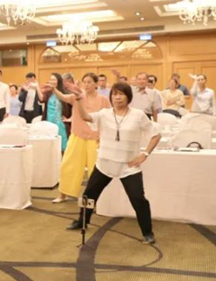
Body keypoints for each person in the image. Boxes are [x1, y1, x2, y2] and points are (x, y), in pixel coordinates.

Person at [64, 81, 161, 244]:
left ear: (128, 97)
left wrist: (144, 154)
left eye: (121, 94)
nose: (117, 97)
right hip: (105, 164)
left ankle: (147, 232)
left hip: (128, 167)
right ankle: (82, 221)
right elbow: (85, 117)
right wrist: (79, 99)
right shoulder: (104, 114)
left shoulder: (138, 115)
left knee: (138, 199)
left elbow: (156, 134)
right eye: (114, 94)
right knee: (89, 195)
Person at [43, 73, 110, 203]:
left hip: (95, 138)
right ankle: (63, 194)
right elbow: (62, 96)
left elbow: (108, 119)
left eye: (90, 82)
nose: (87, 85)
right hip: (77, 135)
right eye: (85, 82)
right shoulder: (77, 96)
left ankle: (97, 198)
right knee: (68, 165)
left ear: (96, 84)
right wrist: (54, 89)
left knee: (95, 169)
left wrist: (103, 136)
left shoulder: (103, 100)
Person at [41, 73, 69, 152]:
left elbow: (72, 106)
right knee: (50, 147)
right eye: (51, 79)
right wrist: (37, 88)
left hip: (60, 123)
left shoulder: (64, 93)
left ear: (58, 81)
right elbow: (42, 99)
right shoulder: (48, 93)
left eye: (54, 79)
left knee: (62, 146)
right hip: (49, 122)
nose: (52, 81)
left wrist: (69, 118)